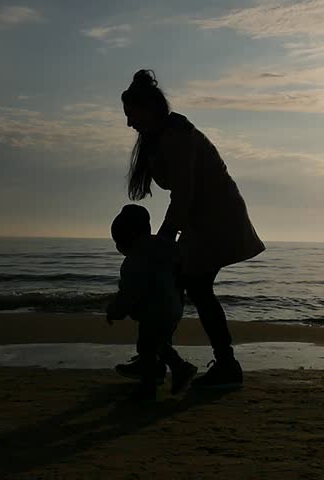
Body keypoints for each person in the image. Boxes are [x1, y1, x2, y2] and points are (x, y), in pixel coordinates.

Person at [120, 69, 266, 388]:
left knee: (196, 286)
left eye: (131, 114)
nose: (129, 123)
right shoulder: (161, 139)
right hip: (202, 218)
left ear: (148, 109)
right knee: (183, 284)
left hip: (218, 217)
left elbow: (184, 193)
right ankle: (157, 359)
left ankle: (224, 365)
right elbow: (183, 196)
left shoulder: (178, 137)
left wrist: (163, 240)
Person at [106, 204, 198, 400]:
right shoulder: (165, 250)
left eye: (118, 242)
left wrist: (116, 310)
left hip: (155, 312)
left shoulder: (135, 260)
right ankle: (177, 370)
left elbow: (130, 291)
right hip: (173, 307)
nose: (118, 248)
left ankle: (152, 386)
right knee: (159, 345)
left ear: (127, 238)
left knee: (147, 348)